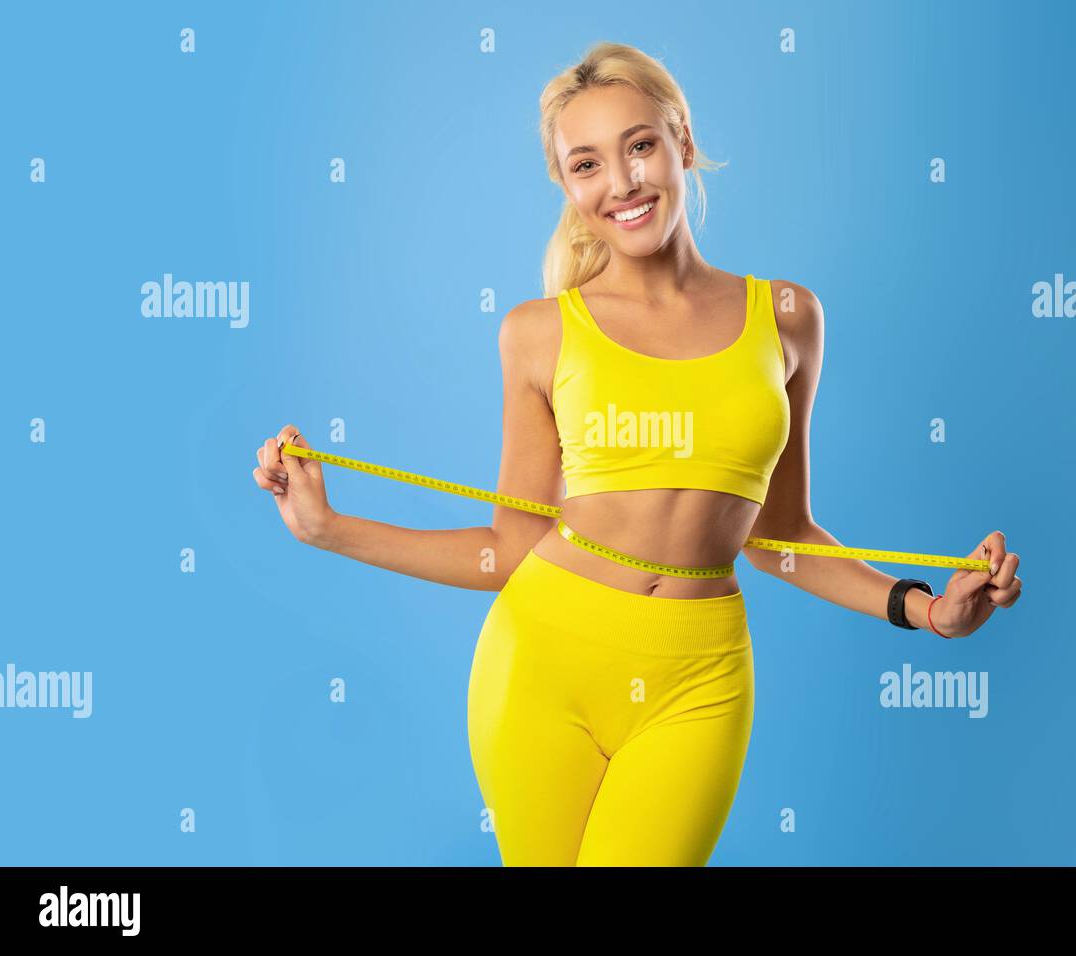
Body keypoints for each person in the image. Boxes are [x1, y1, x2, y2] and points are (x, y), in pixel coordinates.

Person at [252, 41, 1022, 866]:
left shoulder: (790, 318)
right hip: (543, 663)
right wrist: (328, 529)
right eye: (587, 164)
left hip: (699, 680)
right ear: (567, 186)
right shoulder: (537, 334)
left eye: (640, 146)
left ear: (682, 143)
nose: (621, 183)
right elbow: (505, 552)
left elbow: (784, 539)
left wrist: (925, 611)